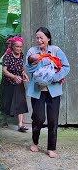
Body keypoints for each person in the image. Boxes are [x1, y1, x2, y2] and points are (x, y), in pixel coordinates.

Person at [25, 27, 70, 158]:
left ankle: (51, 148)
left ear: (48, 38)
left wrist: (54, 78)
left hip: (53, 90)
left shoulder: (56, 50)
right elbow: (29, 67)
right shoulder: (32, 51)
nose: (39, 40)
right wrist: (40, 60)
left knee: (53, 119)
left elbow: (66, 67)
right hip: (37, 90)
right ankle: (35, 142)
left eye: (41, 38)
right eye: (37, 38)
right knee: (38, 118)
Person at [0, 36, 29, 132]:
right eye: (17, 47)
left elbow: (21, 66)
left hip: (19, 81)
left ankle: (20, 124)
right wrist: (13, 76)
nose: (19, 49)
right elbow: (4, 71)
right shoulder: (8, 56)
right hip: (9, 82)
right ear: (12, 46)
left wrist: (24, 74)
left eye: (21, 47)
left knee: (21, 102)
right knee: (7, 102)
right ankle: (4, 120)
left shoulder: (21, 55)